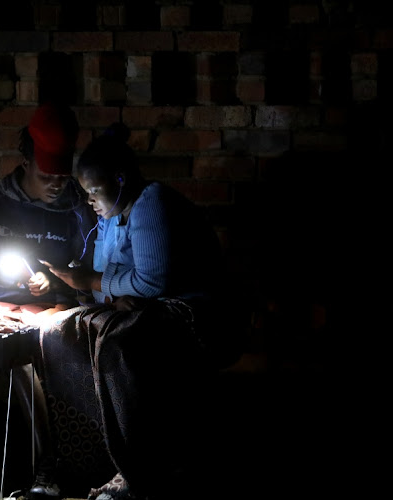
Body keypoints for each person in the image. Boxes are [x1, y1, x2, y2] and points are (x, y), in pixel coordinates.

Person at [35, 123, 243, 500]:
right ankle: (85, 460)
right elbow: (114, 288)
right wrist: (82, 287)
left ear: (120, 178)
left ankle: (137, 469)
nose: (90, 202)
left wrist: (92, 282)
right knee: (57, 330)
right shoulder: (111, 221)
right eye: (86, 194)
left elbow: (151, 282)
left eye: (95, 191)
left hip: (195, 315)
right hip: (152, 310)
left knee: (120, 340)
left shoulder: (151, 201)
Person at [0, 102, 97, 500]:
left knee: (23, 365)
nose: (57, 185)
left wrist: (56, 292)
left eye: (64, 178)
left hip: (50, 318)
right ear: (27, 161)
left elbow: (89, 280)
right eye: (48, 176)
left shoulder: (78, 211)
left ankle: (45, 474)